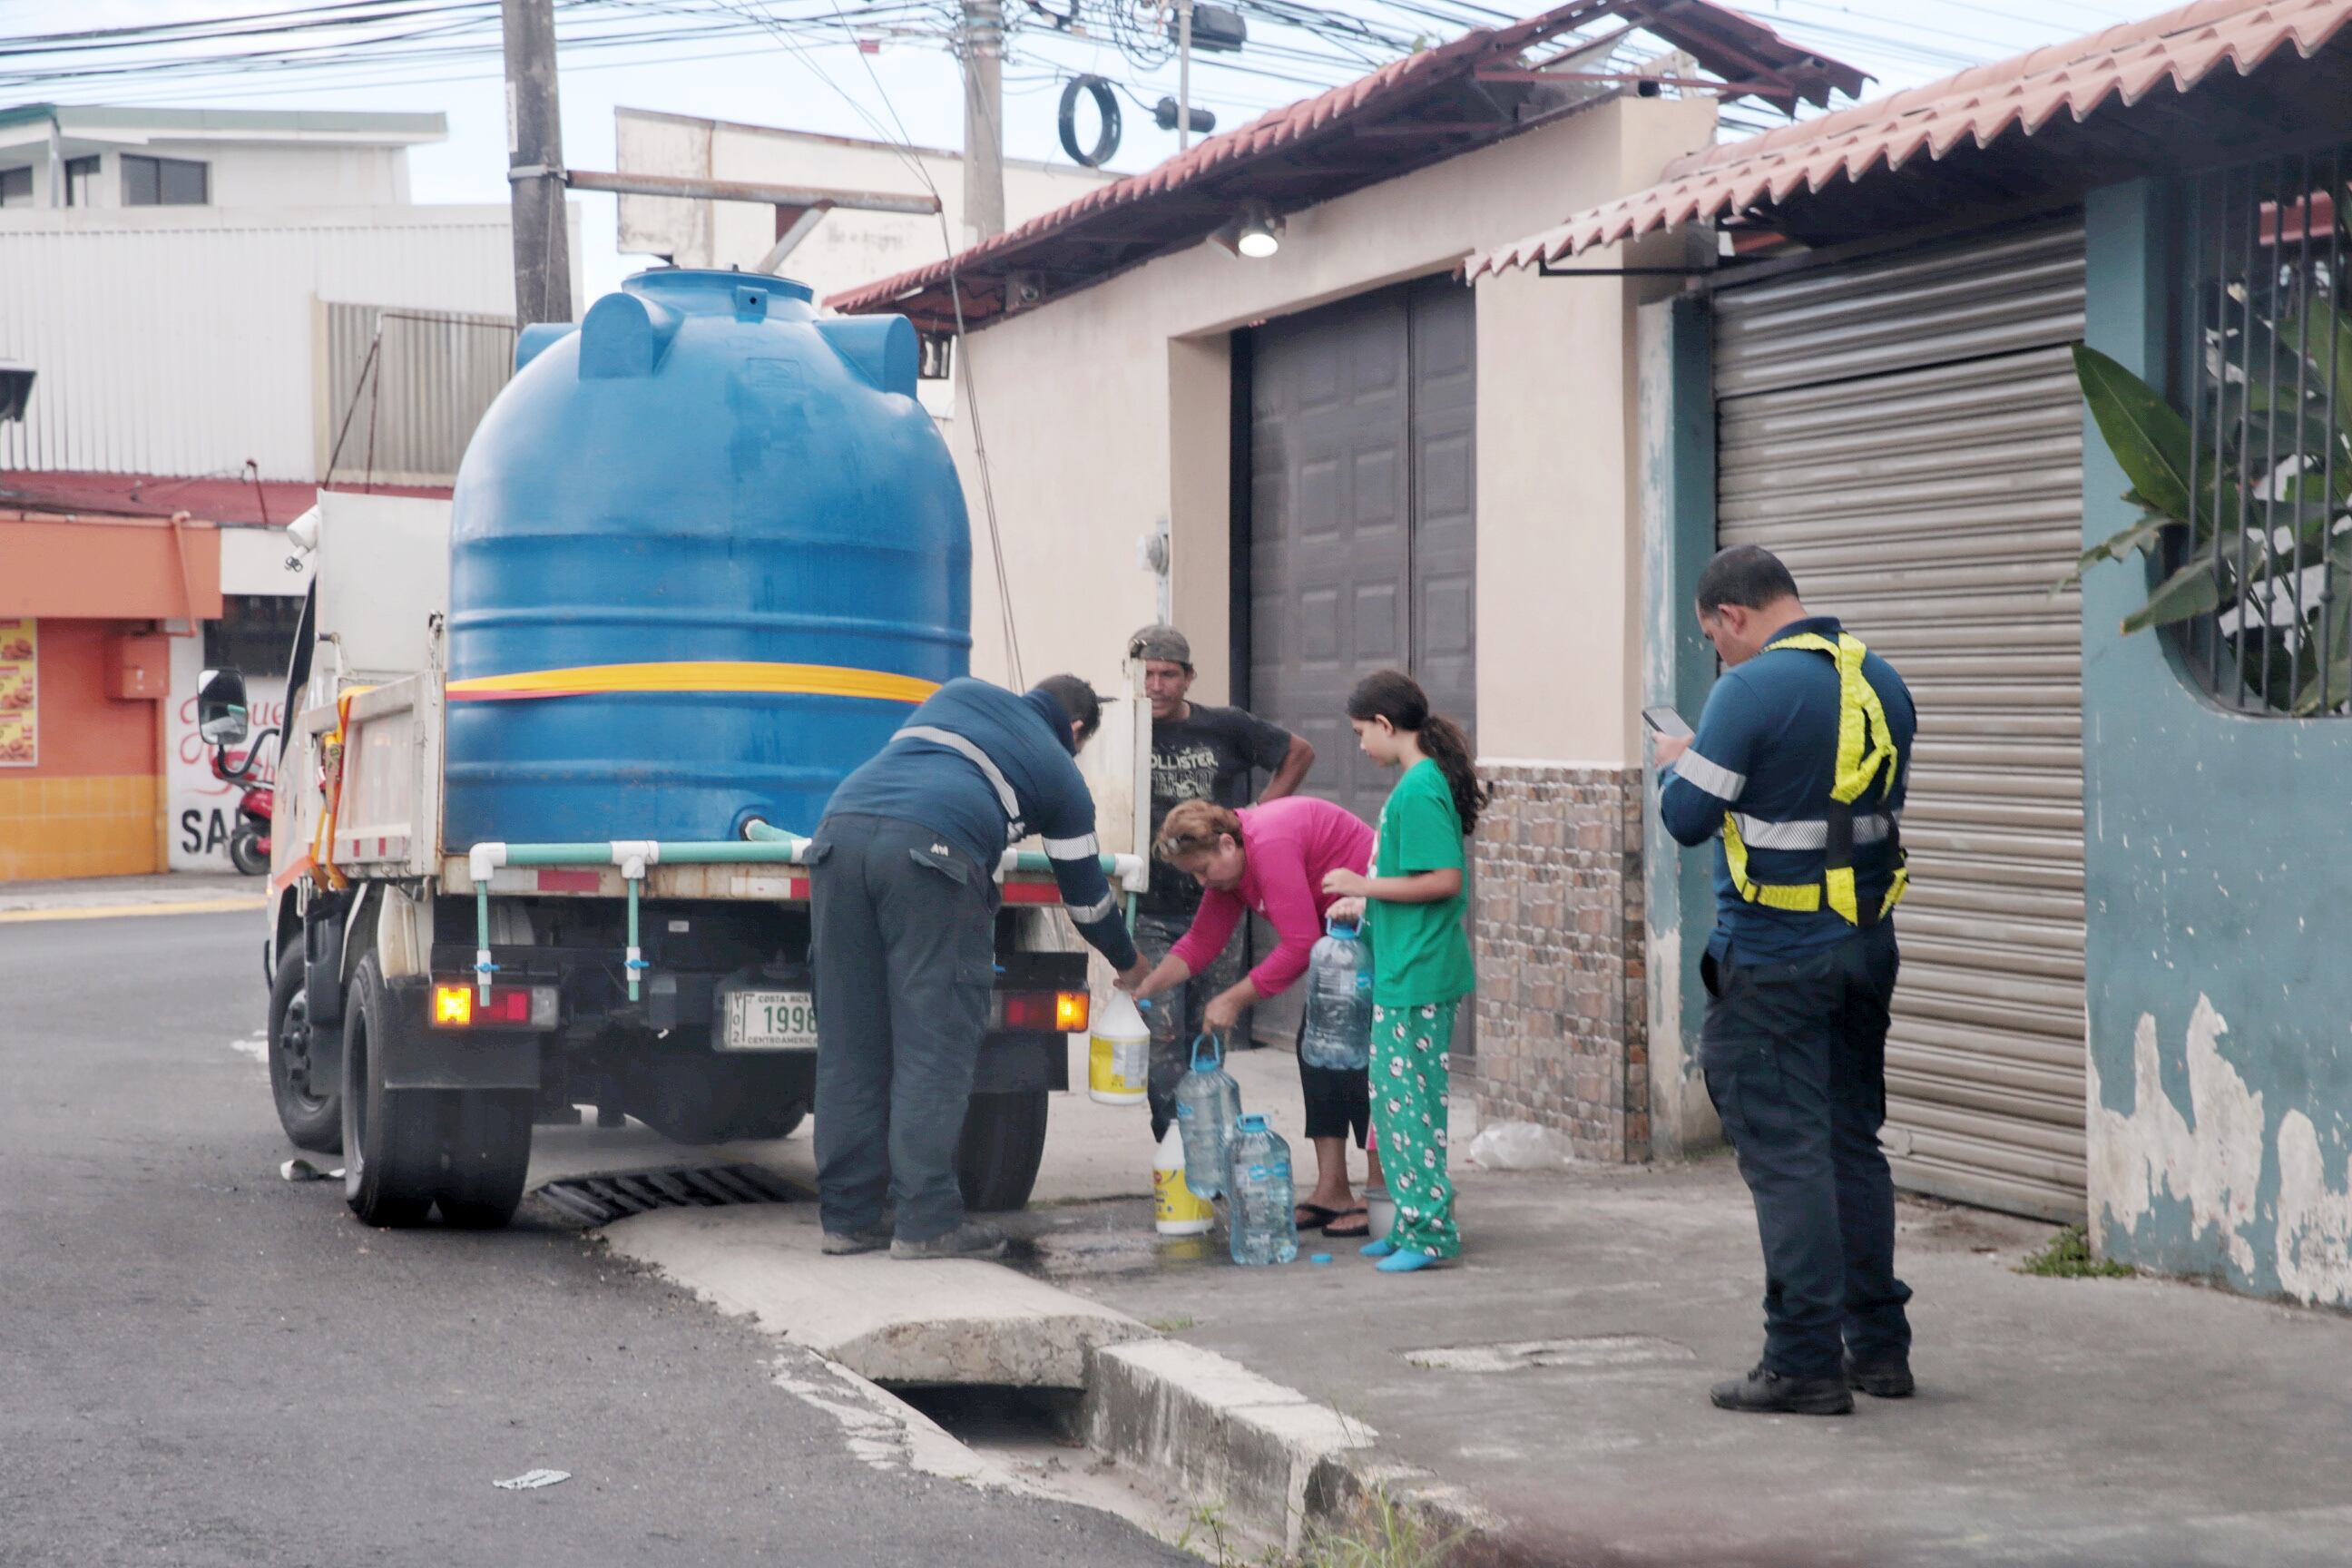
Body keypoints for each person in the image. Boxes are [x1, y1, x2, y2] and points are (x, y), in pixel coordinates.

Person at [1652, 544, 1916, 1417]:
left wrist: (1680, 760)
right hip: (1865, 949)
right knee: (1849, 1143)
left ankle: (1803, 1358)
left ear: (1731, 615)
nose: (1716, 655)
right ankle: (1878, 1349)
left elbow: (1688, 818)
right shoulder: (1879, 677)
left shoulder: (1750, 688)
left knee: (1789, 1156)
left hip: (1773, 958)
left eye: (1711, 637)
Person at [810, 673, 1150, 1261]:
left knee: (850, 1044)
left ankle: (848, 1219)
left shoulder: (957, 695)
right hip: (932, 853)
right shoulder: (1060, 771)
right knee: (932, 1047)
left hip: (838, 836)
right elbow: (1087, 898)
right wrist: (1130, 962)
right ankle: (926, 1224)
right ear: (1075, 730)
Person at [1122, 796, 1382, 1237]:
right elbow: (1202, 941)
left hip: (1375, 926)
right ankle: (1332, 1189)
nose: (1203, 881)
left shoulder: (1270, 843)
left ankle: (1380, 1191)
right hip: (1339, 945)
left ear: (1227, 844)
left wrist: (1233, 999)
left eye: (1203, 869)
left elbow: (1299, 945)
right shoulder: (1231, 872)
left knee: (1361, 1058)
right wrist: (1145, 985)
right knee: (1315, 1052)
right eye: (1194, 875)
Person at [1319, 670, 1485, 1276]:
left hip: (1418, 972)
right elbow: (1414, 878)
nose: (1361, 745)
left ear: (1387, 726)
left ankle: (1431, 1230)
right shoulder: (1419, 784)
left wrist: (1363, 884)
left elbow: (1443, 880)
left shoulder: (1419, 789)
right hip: (1404, 966)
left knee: (1407, 1104)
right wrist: (1368, 902)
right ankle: (1413, 1220)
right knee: (1393, 1104)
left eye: (1363, 732)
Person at [1126, 624, 1314, 1139]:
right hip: (1147, 908)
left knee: (1209, 1033)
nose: (1156, 685)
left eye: (1168, 674)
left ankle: (1209, 1146)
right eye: (1146, 674)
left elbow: (1298, 751)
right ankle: (1173, 1148)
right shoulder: (1121, 729)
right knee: (1162, 1036)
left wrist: (1257, 817)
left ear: (1188, 678)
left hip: (1218, 901)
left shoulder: (1226, 726)